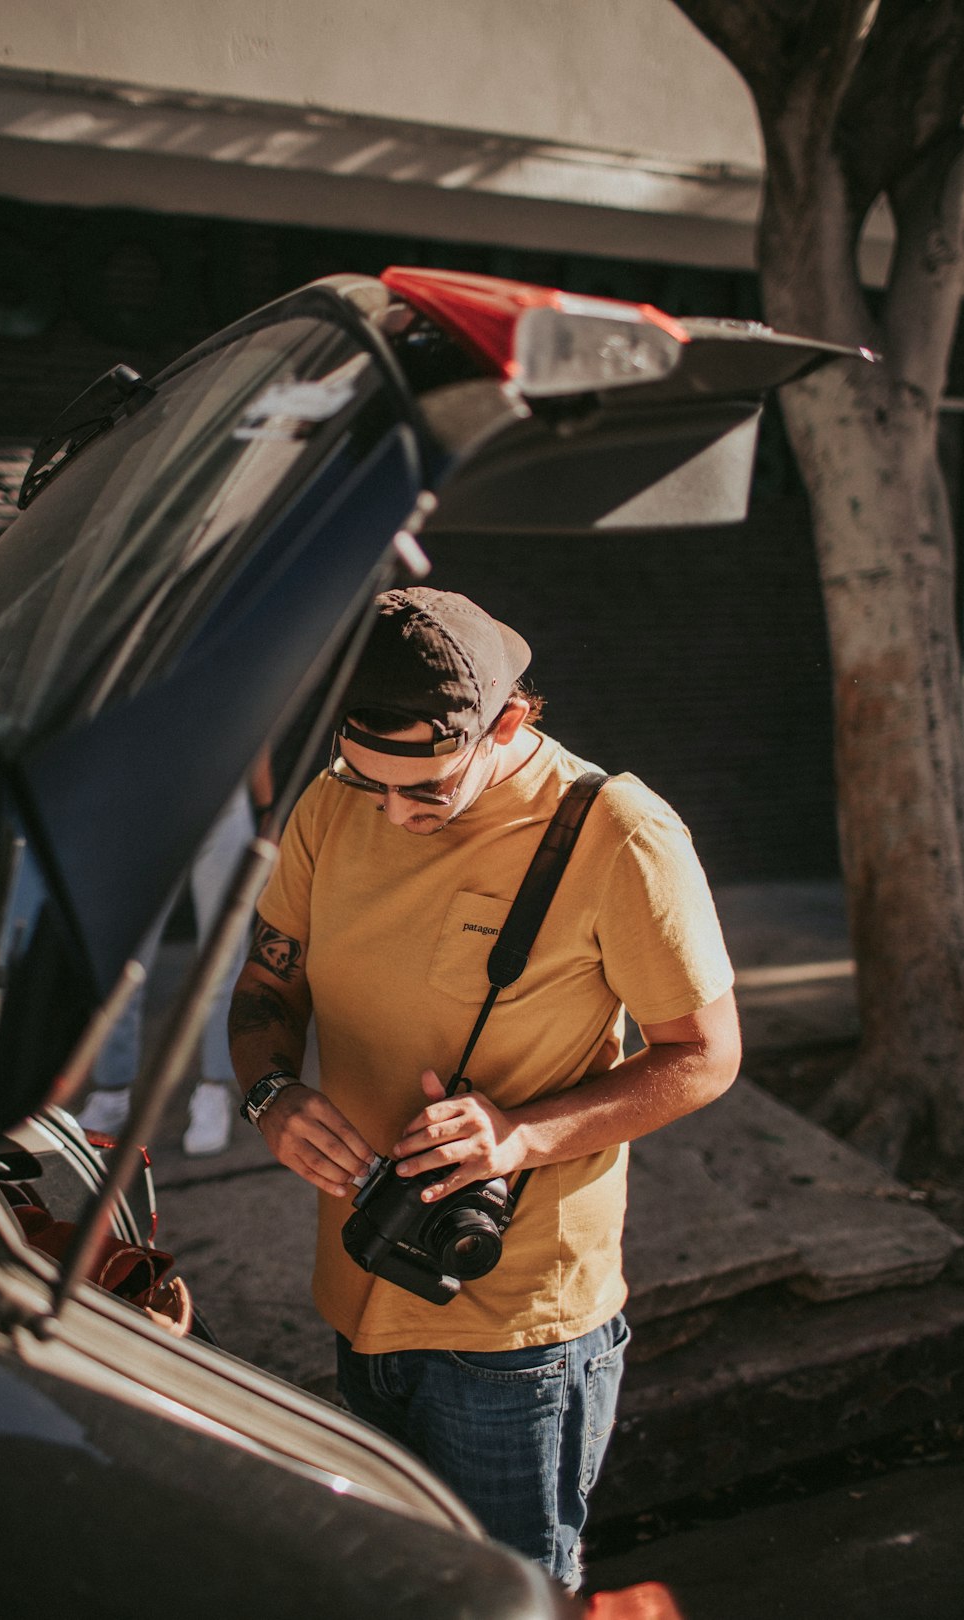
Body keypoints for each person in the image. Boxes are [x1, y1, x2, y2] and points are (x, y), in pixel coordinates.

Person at [229, 587, 740, 1587]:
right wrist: (270, 1094)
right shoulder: (333, 804)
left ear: (511, 721)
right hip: (359, 1284)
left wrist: (518, 1137)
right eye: (366, 781)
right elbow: (266, 983)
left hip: (518, 1335)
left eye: (425, 791)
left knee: (510, 1599)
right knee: (397, 1589)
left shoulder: (619, 833)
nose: (393, 815)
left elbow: (704, 1054)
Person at [79, 785, 255, 1156]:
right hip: (148, 807)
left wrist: (266, 804)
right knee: (126, 957)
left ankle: (214, 1089)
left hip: (226, 800)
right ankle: (112, 1092)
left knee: (223, 956)